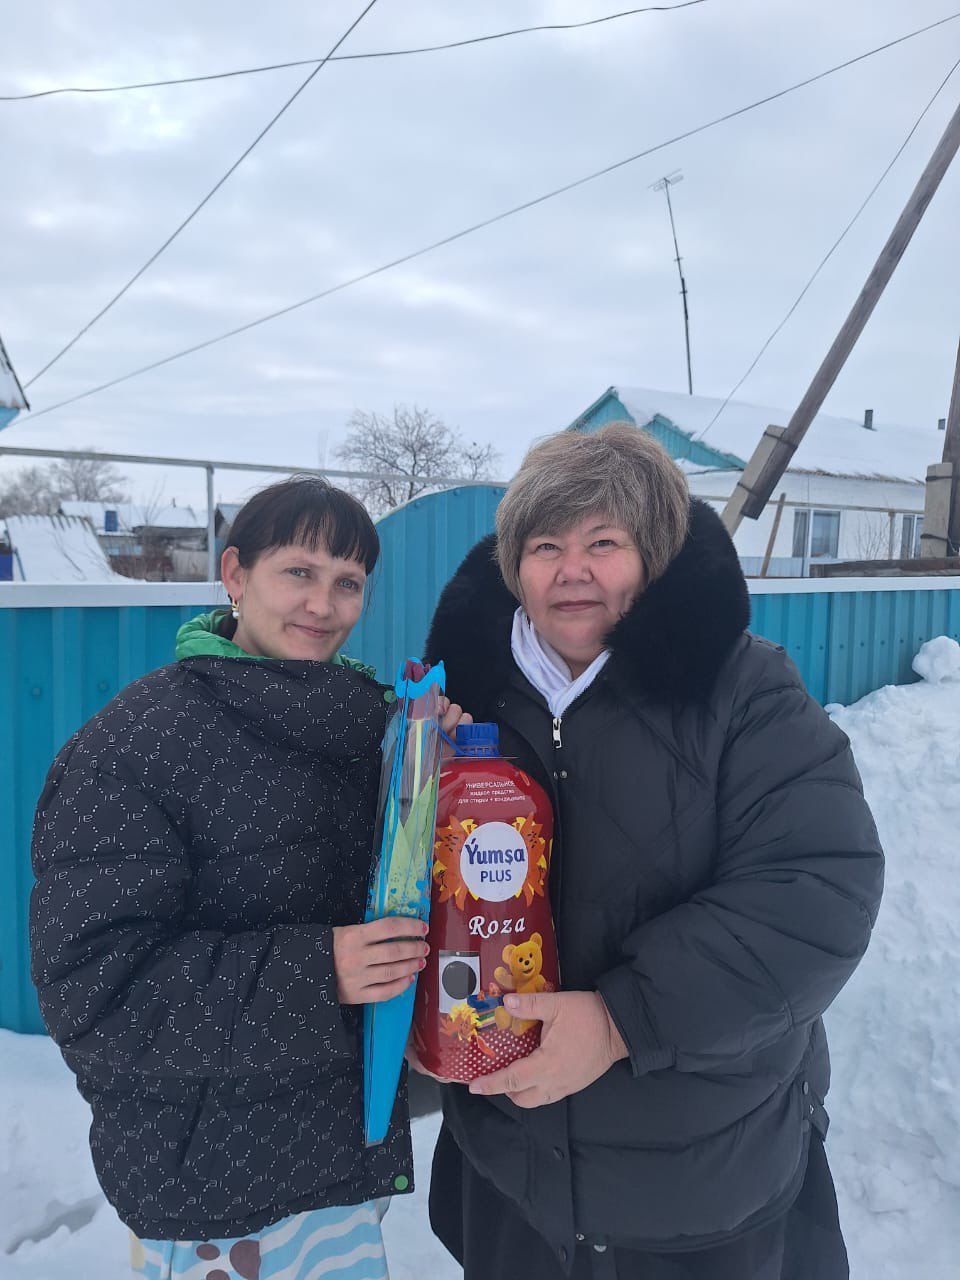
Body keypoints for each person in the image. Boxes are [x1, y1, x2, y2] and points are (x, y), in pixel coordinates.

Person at [420, 424, 884, 1280]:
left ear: (655, 555)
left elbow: (816, 894)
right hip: (511, 1174)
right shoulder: (457, 701)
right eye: (546, 547)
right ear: (514, 567)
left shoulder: (743, 688)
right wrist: (420, 1022)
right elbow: (406, 890)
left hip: (698, 1180)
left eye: (604, 543)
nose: (572, 571)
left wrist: (618, 1021)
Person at [30, 476, 469, 1280]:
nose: (323, 605)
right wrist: (320, 972)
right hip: (212, 1192)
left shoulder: (361, 723)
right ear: (235, 574)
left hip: (338, 1162)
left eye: (348, 583)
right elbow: (97, 995)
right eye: (298, 572)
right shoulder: (135, 746)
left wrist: (431, 769)